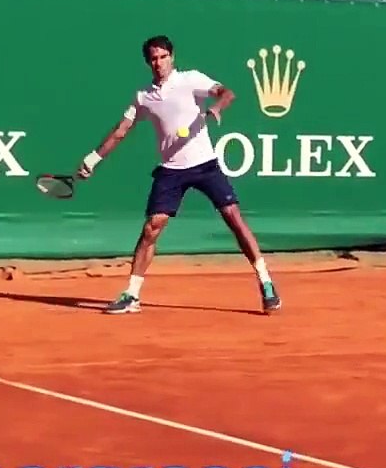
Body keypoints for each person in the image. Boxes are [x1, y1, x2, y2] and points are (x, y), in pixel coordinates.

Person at [75, 35, 281, 315]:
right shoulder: (144, 97)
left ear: (172, 57)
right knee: (151, 228)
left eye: (163, 57)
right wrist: (94, 158)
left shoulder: (191, 80)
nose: (159, 63)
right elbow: (121, 130)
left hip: (205, 164)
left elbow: (227, 92)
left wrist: (217, 109)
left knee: (233, 217)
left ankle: (266, 282)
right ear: (148, 62)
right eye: (153, 58)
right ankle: (132, 295)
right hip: (171, 170)